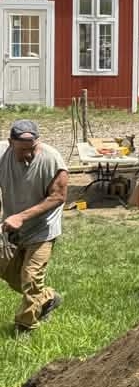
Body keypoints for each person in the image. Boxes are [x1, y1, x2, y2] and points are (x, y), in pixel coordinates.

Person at [0, 119, 69, 333]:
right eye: (22, 150)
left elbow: (58, 196)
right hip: (13, 227)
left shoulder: (52, 159)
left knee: (30, 278)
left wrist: (22, 216)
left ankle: (25, 327)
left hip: (42, 228)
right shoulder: (2, 154)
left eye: (32, 149)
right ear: (11, 143)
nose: (28, 154)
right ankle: (48, 297)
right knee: (9, 272)